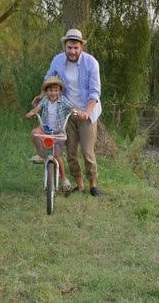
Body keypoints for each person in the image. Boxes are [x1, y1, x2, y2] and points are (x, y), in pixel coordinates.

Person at [33, 29, 104, 197]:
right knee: (71, 152)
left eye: (76, 48)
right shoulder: (58, 60)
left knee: (87, 151)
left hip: (88, 112)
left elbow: (95, 92)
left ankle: (93, 185)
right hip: (67, 111)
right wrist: (41, 96)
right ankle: (79, 186)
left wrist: (86, 112)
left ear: (82, 47)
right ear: (65, 46)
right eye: (69, 47)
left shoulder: (91, 63)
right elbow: (49, 79)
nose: (72, 51)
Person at [26, 76, 77, 192]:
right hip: (46, 129)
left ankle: (64, 178)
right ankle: (41, 154)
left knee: (57, 155)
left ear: (59, 91)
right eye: (50, 90)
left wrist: (76, 112)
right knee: (35, 133)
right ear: (47, 91)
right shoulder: (44, 100)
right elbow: (37, 109)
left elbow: (72, 106)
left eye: (56, 90)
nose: (53, 93)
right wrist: (31, 112)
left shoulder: (63, 100)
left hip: (58, 131)